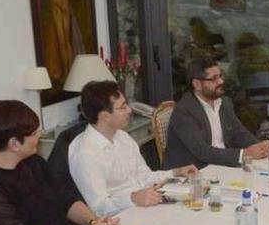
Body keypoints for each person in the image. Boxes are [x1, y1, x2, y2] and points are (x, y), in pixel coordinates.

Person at [69, 81, 197, 216]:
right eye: (123, 107)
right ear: (105, 116)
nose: (129, 110)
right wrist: (132, 199)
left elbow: (144, 176)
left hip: (146, 205)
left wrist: (175, 173)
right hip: (121, 217)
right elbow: (99, 207)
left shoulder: (122, 137)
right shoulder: (85, 153)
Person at [163, 58, 269, 169]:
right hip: (193, 172)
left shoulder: (224, 102)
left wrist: (259, 147)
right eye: (214, 79)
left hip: (221, 165)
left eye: (220, 76)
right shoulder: (184, 110)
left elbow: (239, 133)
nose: (221, 82)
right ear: (197, 84)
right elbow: (202, 151)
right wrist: (244, 154)